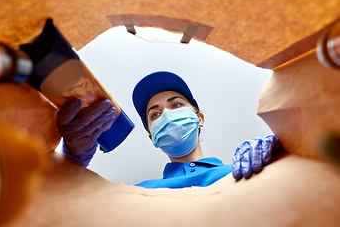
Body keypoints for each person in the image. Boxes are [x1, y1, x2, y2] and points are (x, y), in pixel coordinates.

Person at [57, 71, 283, 188]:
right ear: (152, 136)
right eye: (155, 114)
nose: (166, 114)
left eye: (176, 105)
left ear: (199, 118)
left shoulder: (245, 169)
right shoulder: (139, 193)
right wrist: (71, 162)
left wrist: (286, 143)